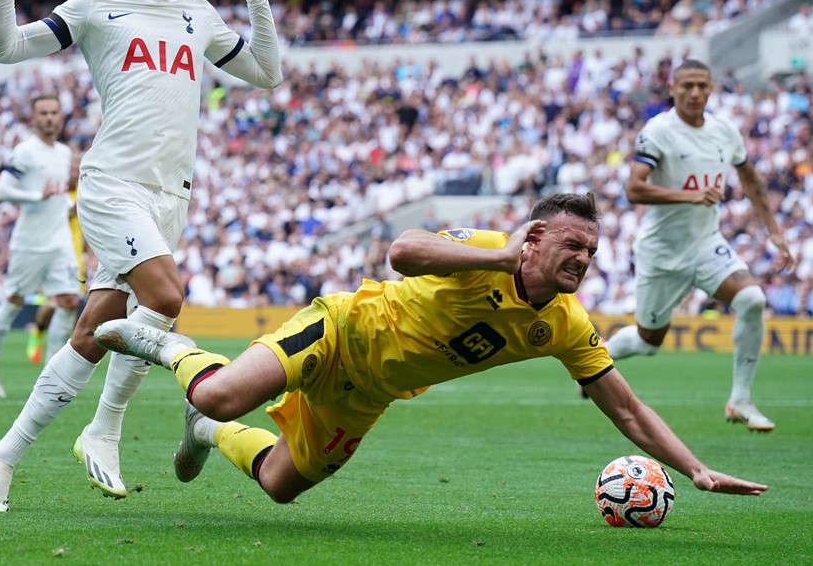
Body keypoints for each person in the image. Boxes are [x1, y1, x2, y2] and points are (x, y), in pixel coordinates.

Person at [93, 193, 768, 505]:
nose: (584, 259)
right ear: (533, 239)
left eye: (592, 250)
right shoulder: (482, 252)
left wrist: (697, 468)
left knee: (278, 484)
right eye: (572, 245)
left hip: (370, 392)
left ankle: (209, 432)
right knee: (217, 385)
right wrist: (500, 253)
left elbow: (626, 408)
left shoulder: (565, 323)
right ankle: (171, 346)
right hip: (340, 329)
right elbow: (402, 251)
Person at [0, 0, 282, 512]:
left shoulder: (199, 15)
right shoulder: (98, 5)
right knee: (166, 298)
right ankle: (104, 428)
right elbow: (3, 49)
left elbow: (266, 74)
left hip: (171, 194)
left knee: (95, 329)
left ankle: (3, 454)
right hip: (113, 184)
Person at [603, 59, 793, 432]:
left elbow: (750, 178)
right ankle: (603, 356)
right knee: (648, 342)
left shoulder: (724, 131)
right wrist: (688, 196)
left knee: (752, 300)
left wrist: (773, 230)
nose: (694, 93)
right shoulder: (658, 131)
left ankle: (740, 400)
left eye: (701, 86)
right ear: (672, 89)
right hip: (662, 252)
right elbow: (634, 188)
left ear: (710, 89)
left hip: (707, 245)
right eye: (686, 85)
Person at [0, 93, 81, 398]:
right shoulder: (25, 152)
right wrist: (38, 197)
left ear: (60, 117)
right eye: (43, 113)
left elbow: (57, 192)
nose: (49, 118)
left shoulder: (63, 153)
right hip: (30, 242)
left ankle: (50, 376)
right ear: (33, 119)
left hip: (59, 238)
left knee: (69, 302)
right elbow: (2, 190)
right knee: (14, 302)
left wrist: (65, 205)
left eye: (54, 112)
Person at [27, 154, 86, 366]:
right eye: (70, 168)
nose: (73, 173)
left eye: (76, 169)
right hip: (54, 258)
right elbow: (69, 211)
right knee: (51, 305)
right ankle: (38, 333)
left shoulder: (83, 191)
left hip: (76, 260)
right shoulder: (57, 192)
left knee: (69, 308)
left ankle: (59, 358)